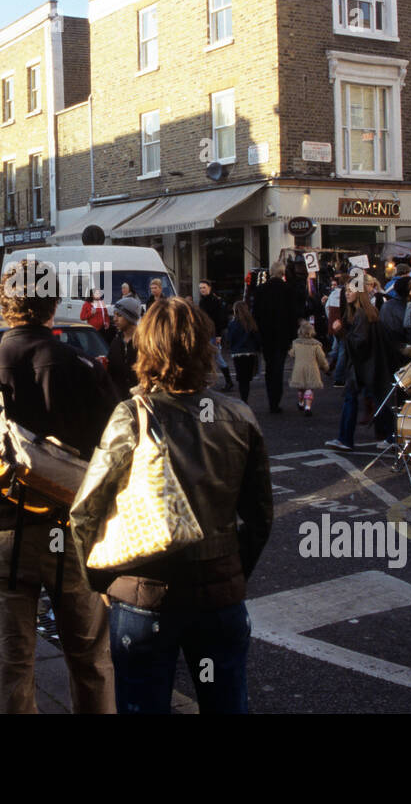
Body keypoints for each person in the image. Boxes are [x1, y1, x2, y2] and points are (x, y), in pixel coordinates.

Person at [0, 256, 121, 714]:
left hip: (2, 535)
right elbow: (119, 458)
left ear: (3, 303)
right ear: (53, 303)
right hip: (75, 536)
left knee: (10, 666)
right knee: (91, 661)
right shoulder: (86, 368)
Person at [70, 297, 273, 715]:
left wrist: (102, 582)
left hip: (144, 595)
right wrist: (233, 572)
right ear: (207, 348)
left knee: (142, 704)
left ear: (147, 351)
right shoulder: (239, 416)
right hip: (219, 595)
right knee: (226, 703)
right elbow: (259, 517)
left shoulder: (131, 415)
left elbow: (85, 511)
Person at [324, 284, 391, 452]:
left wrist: (341, 331)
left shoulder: (360, 314)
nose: (347, 294)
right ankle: (391, 436)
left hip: (361, 365)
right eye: (346, 291)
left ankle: (345, 438)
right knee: (377, 400)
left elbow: (359, 341)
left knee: (353, 399)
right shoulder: (364, 312)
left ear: (359, 293)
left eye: (350, 291)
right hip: (369, 364)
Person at [251, 262, 300, 413]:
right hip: (282, 335)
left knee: (270, 366)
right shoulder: (288, 290)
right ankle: (275, 400)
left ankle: (271, 398)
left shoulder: (261, 290)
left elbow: (256, 314)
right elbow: (293, 315)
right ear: (283, 272)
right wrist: (293, 335)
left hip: (266, 334)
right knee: (278, 368)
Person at [197, 279, 233, 392]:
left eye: (204, 287)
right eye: (201, 288)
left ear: (209, 288)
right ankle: (206, 381)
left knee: (218, 358)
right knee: (206, 357)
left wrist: (218, 335)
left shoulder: (216, 301)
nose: (202, 290)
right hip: (205, 333)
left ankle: (228, 381)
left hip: (213, 334)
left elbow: (220, 319)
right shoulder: (202, 302)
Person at [223, 300, 262, 404]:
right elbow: (257, 338)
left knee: (241, 378)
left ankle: (243, 399)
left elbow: (230, 339)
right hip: (250, 352)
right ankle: (245, 397)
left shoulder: (232, 324)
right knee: (247, 378)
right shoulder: (251, 323)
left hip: (237, 353)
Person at [289, 320, 329, 416]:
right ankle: (308, 407)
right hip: (312, 369)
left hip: (299, 368)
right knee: (309, 388)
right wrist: (326, 367)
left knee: (300, 388)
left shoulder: (296, 343)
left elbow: (291, 354)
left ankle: (300, 402)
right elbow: (321, 358)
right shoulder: (316, 345)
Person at [107, 296, 142, 400]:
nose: (115, 319)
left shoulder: (145, 343)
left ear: (129, 317)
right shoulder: (116, 341)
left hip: (140, 403)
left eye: (119, 315)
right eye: (114, 315)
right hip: (119, 402)